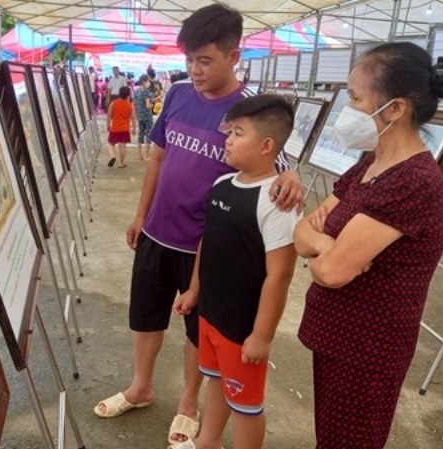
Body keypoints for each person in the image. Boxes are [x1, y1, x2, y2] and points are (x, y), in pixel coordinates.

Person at [92, 3, 304, 446]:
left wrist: (293, 176)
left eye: (205, 60)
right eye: (189, 59)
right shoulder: (177, 94)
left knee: (197, 329)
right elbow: (158, 157)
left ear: (234, 56)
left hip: (201, 244)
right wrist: (140, 214)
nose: (195, 69)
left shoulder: (248, 111)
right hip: (156, 231)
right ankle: (141, 386)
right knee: (146, 316)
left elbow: (277, 165)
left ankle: (189, 402)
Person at [294, 42, 443, 448]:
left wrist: (326, 249)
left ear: (395, 109)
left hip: (366, 349)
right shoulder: (371, 163)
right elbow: (301, 233)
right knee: (331, 437)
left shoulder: (413, 181)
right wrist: (326, 242)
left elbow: (330, 271)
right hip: (339, 336)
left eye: (354, 97)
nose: (345, 109)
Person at [170, 95, 299, 449]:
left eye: (238, 133)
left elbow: (280, 276)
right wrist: (194, 291)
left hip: (243, 329)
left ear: (266, 145)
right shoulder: (221, 185)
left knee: (246, 406)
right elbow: (205, 243)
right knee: (215, 380)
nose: (227, 139)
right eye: (229, 131)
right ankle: (208, 441)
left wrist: (262, 335)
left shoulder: (277, 203)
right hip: (210, 314)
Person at [106, 86, 135, 168]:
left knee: (110, 143)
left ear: (119, 93)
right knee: (123, 146)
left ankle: (113, 156)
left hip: (115, 128)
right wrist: (134, 128)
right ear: (128, 95)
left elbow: (109, 115)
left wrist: (108, 126)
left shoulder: (113, 103)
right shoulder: (130, 105)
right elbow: (133, 117)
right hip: (125, 128)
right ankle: (121, 163)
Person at [133, 74, 155, 161]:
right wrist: (152, 104)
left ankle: (139, 155)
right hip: (147, 115)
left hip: (140, 115)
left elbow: (134, 103)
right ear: (144, 81)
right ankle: (146, 155)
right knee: (149, 134)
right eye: (148, 81)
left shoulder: (137, 91)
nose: (149, 82)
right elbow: (148, 105)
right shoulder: (146, 91)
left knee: (141, 134)